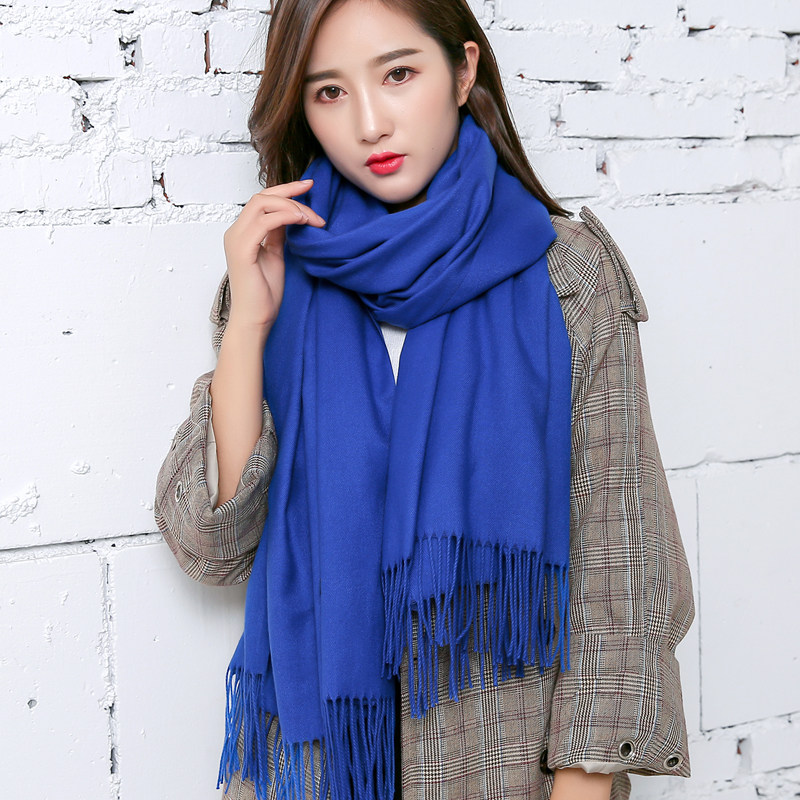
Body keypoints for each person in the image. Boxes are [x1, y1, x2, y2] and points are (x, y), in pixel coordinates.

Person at [154, 1, 696, 799]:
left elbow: (620, 551)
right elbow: (214, 547)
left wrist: (582, 782)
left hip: (505, 763)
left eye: (399, 74)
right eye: (329, 91)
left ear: (464, 71)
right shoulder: (277, 273)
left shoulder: (565, 273)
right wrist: (249, 327)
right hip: (318, 772)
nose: (369, 123)